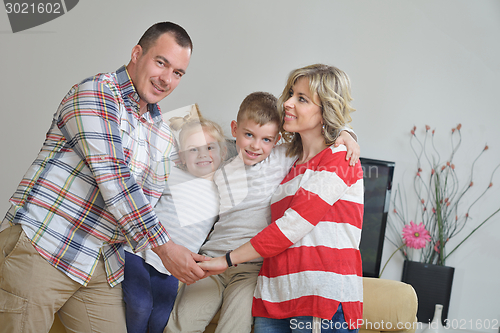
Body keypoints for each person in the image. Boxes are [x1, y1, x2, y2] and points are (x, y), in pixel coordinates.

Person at [0, 22, 207, 333]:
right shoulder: (96, 93)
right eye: (161, 62)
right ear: (137, 54)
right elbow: (115, 179)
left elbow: (146, 202)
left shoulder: (162, 133)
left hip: (99, 263)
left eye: (177, 72)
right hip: (43, 244)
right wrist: (166, 249)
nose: (166, 79)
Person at [166, 91, 359, 333]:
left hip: (251, 269)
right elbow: (191, 147)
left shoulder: (281, 157)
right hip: (210, 259)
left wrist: (347, 134)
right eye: (248, 135)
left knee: (233, 328)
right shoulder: (222, 164)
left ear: (277, 140)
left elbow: (320, 135)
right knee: (180, 325)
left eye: (266, 139)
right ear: (234, 129)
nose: (256, 146)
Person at [122, 111, 227, 333]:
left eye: (210, 147)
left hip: (174, 267)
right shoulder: (171, 174)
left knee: (161, 315)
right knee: (140, 306)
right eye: (193, 149)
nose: (202, 154)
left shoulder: (224, 189)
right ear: (181, 156)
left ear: (223, 151)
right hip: (139, 252)